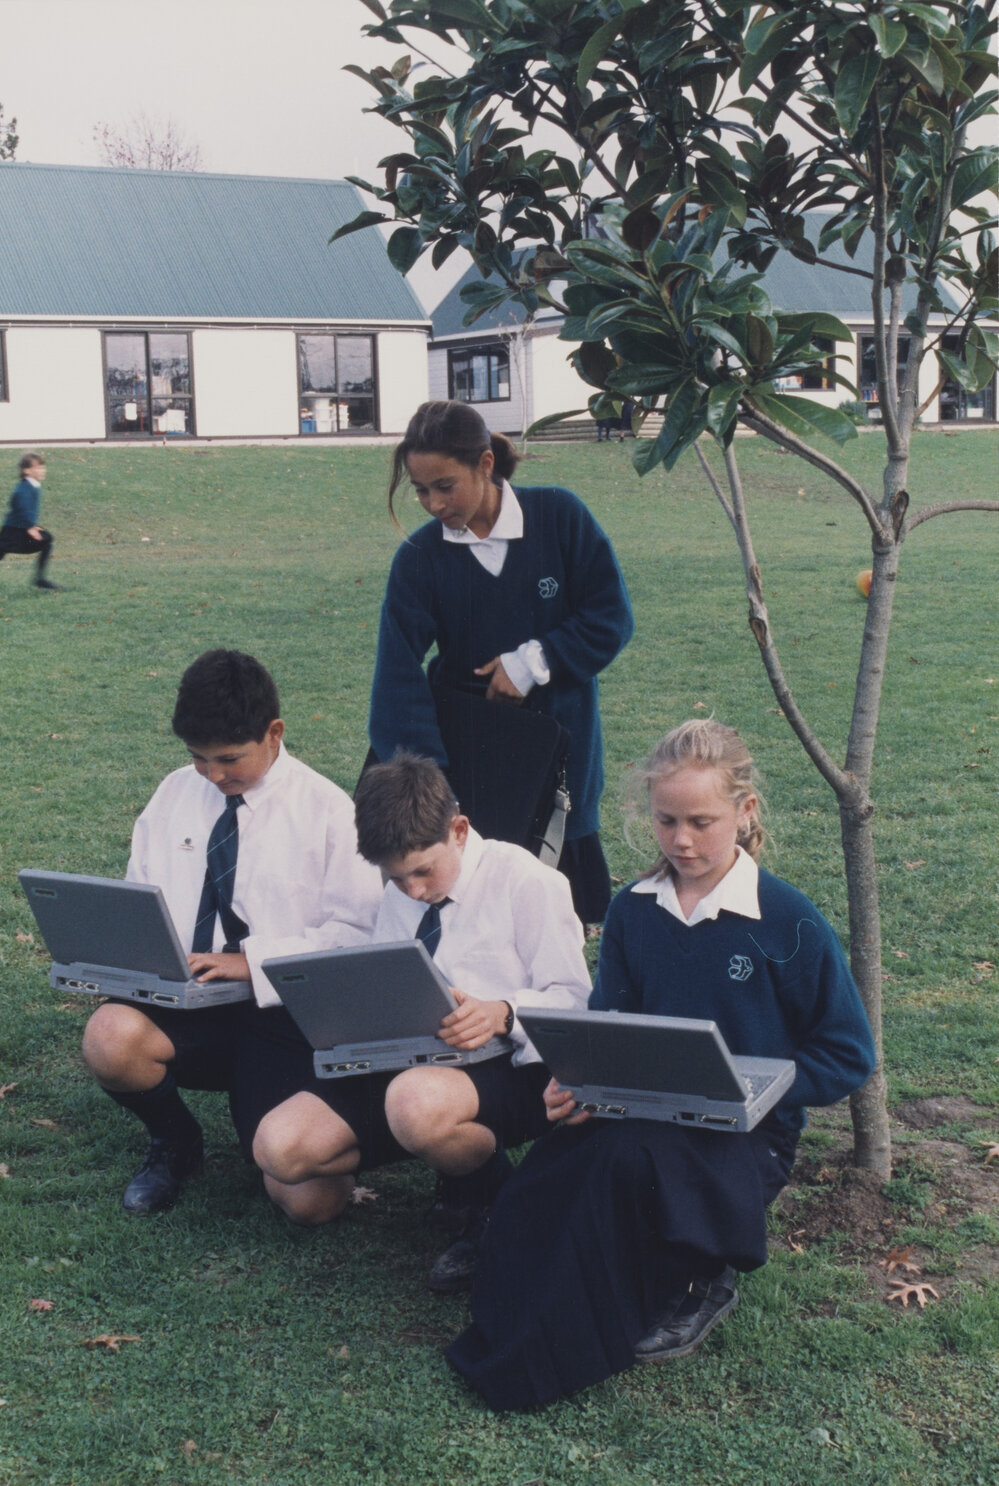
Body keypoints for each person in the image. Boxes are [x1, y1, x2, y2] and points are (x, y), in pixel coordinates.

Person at [447, 719, 877, 1410]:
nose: (681, 840)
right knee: (547, 1180)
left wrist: (759, 1086)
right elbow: (610, 1026)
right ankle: (532, 1300)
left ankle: (703, 1277)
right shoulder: (632, 913)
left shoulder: (786, 920)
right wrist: (577, 1081)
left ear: (744, 813)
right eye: (666, 821)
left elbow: (848, 1053)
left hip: (745, 1134)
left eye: (701, 822)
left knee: (625, 1173)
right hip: (641, 1110)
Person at [248, 752, 591, 1290]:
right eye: (395, 877)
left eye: (422, 871)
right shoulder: (400, 895)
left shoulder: (526, 881)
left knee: (415, 1102)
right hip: (409, 1064)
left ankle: (500, 1202)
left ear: (459, 830)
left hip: (507, 1067)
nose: (412, 891)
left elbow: (574, 998)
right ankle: (440, 1162)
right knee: (282, 1156)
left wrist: (503, 1011)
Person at [80, 649, 383, 1214]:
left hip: (285, 1020)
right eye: (198, 758)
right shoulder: (174, 793)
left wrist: (257, 961)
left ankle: (325, 1128)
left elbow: (362, 936)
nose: (213, 775)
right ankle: (175, 1142)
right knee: (109, 1037)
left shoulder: (328, 811)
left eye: (228, 759)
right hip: (192, 1004)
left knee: (310, 1205)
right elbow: (139, 895)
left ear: (274, 733)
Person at [368, 400, 634, 924]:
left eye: (445, 486)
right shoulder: (419, 558)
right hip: (468, 753)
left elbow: (611, 616)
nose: (433, 504)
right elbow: (396, 673)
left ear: (485, 465)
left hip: (561, 747)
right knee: (471, 907)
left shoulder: (559, 516)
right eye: (421, 490)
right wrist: (429, 782)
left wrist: (533, 661)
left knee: (559, 913)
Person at [0, 452, 59, 589]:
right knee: (45, 541)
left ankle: (40, 579)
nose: (42, 470)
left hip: (19, 527)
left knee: (46, 541)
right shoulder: (24, 487)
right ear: (26, 471)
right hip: (14, 530)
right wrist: (30, 527)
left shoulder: (33, 485)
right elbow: (20, 504)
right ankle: (40, 579)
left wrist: (32, 525)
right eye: (37, 468)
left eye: (42, 467)